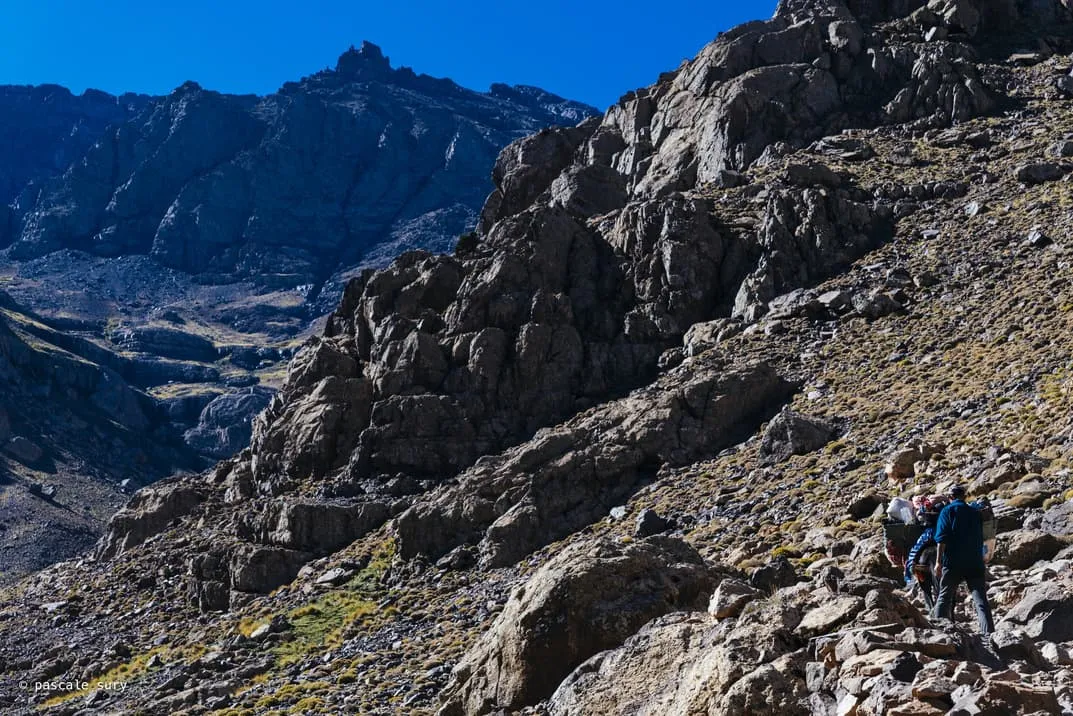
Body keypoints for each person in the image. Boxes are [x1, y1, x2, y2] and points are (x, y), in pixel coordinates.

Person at [932, 484, 994, 634]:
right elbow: (983, 537)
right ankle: (989, 634)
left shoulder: (947, 511)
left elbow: (942, 539)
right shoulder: (975, 512)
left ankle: (938, 632)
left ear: (951, 497)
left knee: (944, 597)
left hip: (953, 562)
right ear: (964, 496)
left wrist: (938, 562)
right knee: (981, 600)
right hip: (975, 562)